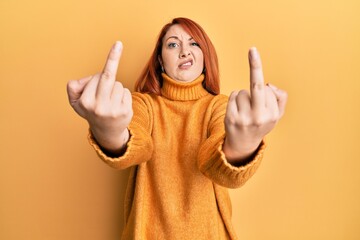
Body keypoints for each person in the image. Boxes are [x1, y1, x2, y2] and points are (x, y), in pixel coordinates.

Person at [67, 17, 287, 240]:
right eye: (173, 44)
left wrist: (242, 146)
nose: (184, 51)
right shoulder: (144, 105)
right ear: (161, 60)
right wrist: (109, 132)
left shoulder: (218, 106)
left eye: (194, 43)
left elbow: (216, 166)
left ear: (204, 56)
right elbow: (138, 145)